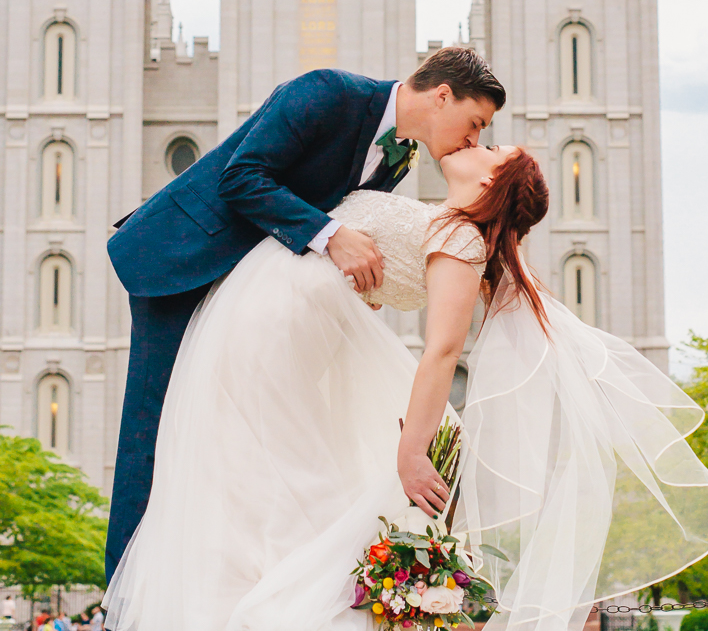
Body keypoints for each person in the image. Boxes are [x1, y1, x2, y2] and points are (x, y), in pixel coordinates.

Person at [104, 144, 708, 631]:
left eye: (492, 150)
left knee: (264, 499)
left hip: (272, 343)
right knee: (258, 499)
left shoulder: (460, 240)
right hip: (268, 329)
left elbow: (443, 350)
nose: (477, 144)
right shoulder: (445, 224)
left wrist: (412, 453)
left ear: (491, 183)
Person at [105, 47, 506, 579]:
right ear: (442, 95)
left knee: (229, 440)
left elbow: (344, 220)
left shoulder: (399, 157)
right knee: (154, 434)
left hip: (259, 301)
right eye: (475, 123)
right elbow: (242, 177)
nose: (473, 139)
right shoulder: (328, 92)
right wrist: (333, 237)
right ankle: (122, 605)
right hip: (187, 265)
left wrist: (359, 279)